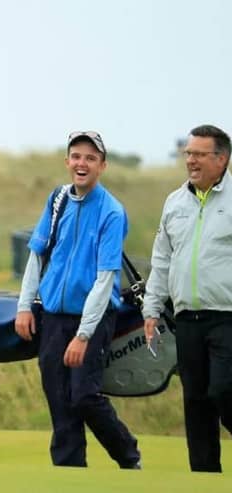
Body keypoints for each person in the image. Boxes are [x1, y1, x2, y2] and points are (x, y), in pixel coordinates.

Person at [15, 131, 141, 469]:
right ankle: (69, 474)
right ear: (67, 161)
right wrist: (25, 305)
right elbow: (37, 255)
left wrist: (84, 335)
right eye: (76, 156)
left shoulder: (112, 212)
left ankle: (128, 455)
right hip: (53, 316)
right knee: (59, 402)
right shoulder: (58, 200)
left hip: (94, 317)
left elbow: (105, 279)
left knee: (84, 396)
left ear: (102, 166)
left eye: (89, 158)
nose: (81, 163)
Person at [142, 124, 232, 473]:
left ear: (221, 158)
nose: (190, 160)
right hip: (187, 319)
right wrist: (151, 307)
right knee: (196, 403)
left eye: (198, 154)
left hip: (227, 317)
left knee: (223, 391)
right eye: (188, 154)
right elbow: (162, 259)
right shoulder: (175, 202)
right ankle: (205, 478)